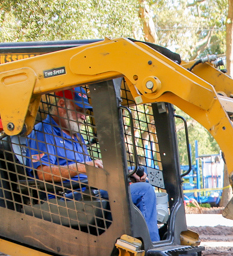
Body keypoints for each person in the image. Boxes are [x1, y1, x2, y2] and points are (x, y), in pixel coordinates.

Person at [25, 87, 160, 242]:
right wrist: (81, 167)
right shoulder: (44, 132)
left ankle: (136, 241)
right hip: (66, 197)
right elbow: (42, 173)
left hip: (89, 191)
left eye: (85, 111)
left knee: (140, 181)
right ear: (62, 104)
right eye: (79, 110)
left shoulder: (76, 137)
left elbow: (91, 167)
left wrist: (127, 174)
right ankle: (152, 249)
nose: (84, 117)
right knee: (144, 191)